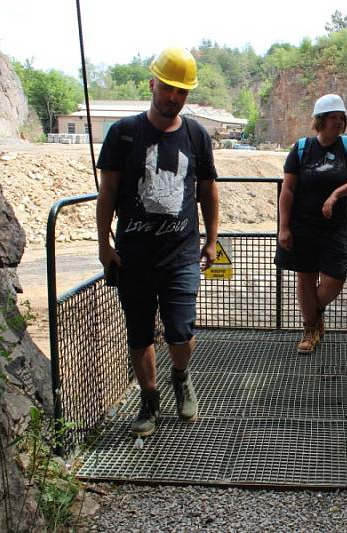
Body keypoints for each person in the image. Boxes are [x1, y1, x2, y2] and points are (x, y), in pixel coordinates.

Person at [96, 46, 219, 437]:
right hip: (133, 256)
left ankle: (180, 376)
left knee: (181, 331)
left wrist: (212, 239)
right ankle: (149, 400)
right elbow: (108, 192)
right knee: (139, 332)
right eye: (167, 88)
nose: (173, 97)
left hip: (181, 253)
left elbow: (208, 191)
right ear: (152, 83)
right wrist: (104, 245)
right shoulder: (124, 133)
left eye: (181, 91)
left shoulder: (196, 135)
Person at [275, 94, 347, 354]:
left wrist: (336, 194)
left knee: (335, 278)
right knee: (304, 279)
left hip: (336, 227)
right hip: (303, 226)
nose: (338, 122)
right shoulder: (301, 149)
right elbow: (287, 190)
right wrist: (283, 227)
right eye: (333, 117)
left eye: (341, 117)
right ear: (320, 120)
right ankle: (310, 329)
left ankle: (314, 312)